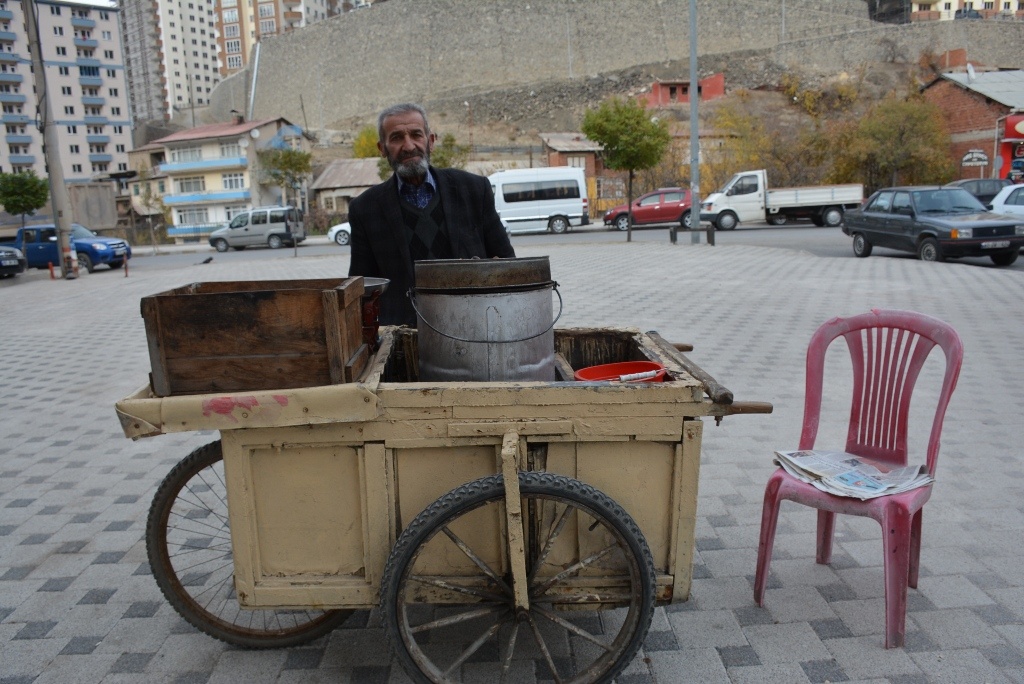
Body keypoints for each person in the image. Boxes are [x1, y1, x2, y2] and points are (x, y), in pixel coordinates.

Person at [348, 103, 515, 326]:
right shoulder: (365, 208)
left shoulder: (474, 190)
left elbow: (508, 264)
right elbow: (362, 288)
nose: (408, 146)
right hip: (405, 338)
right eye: (396, 138)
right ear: (382, 148)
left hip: (476, 327)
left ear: (431, 140)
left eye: (416, 134)